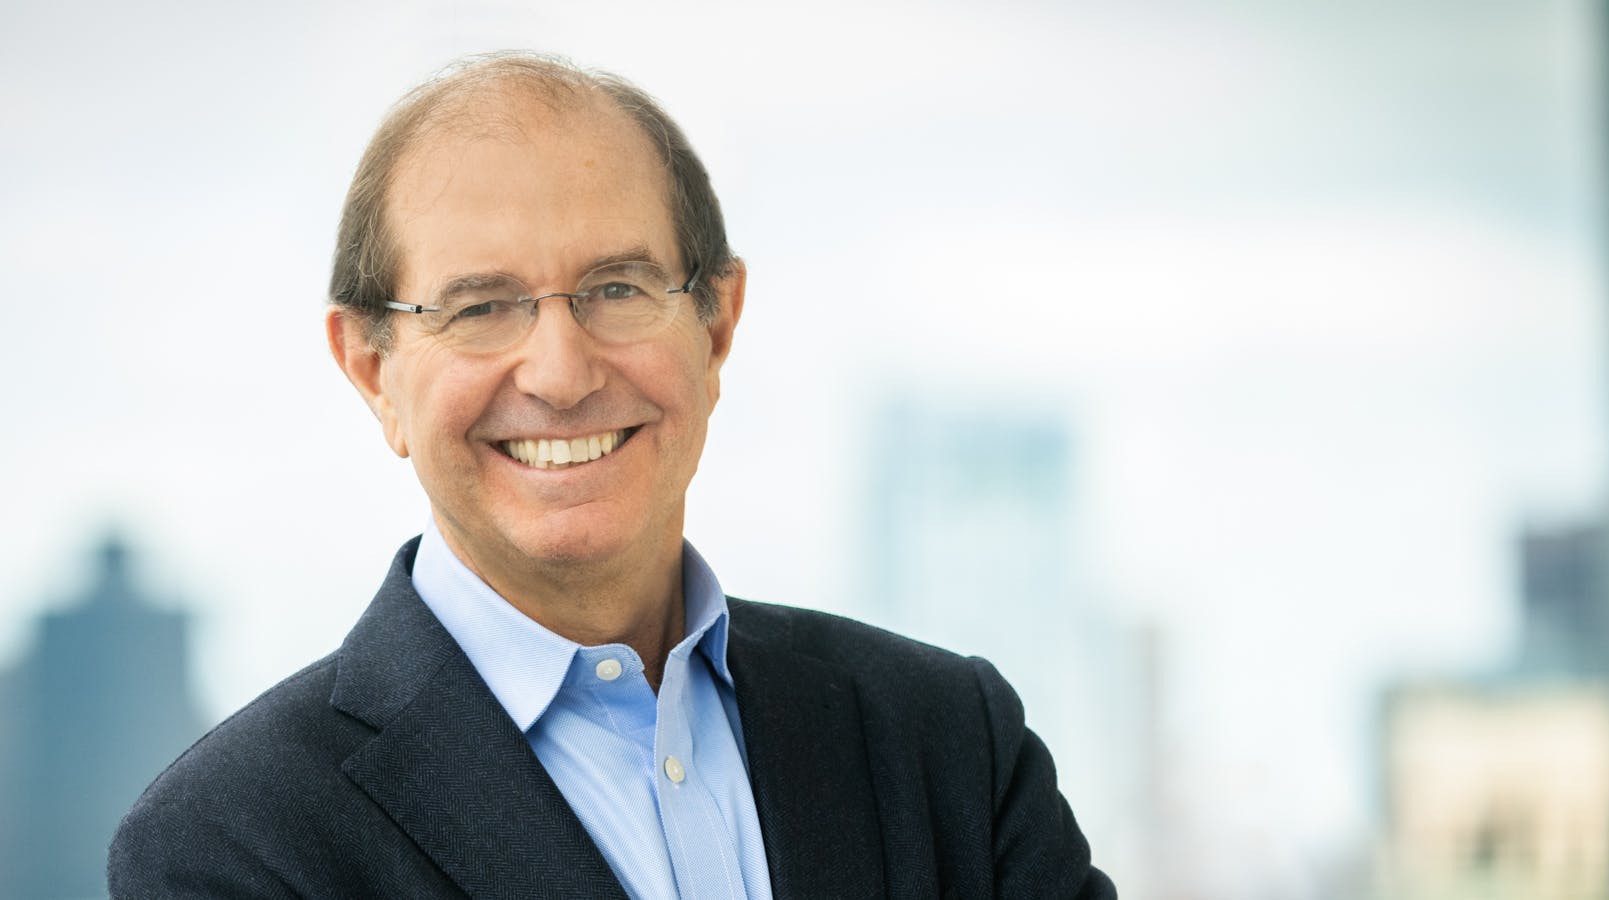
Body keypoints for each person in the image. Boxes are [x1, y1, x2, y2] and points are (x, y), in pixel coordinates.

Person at [109, 52, 1115, 899]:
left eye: (618, 288)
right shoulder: (234, 846)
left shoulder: (947, 741)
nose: (560, 374)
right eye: (479, 307)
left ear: (715, 328)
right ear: (372, 370)